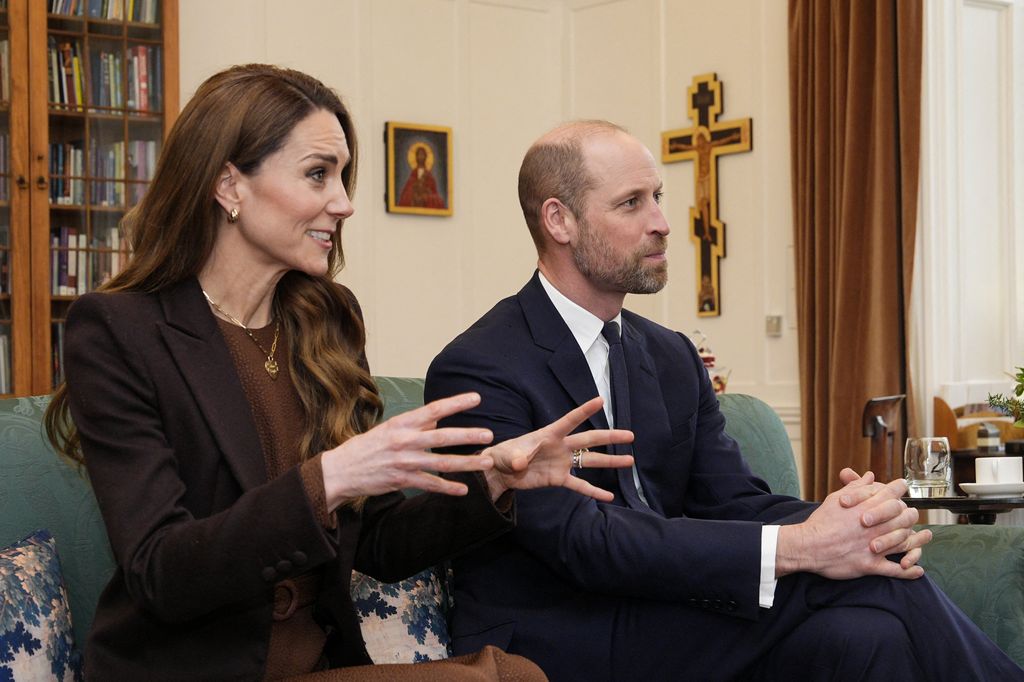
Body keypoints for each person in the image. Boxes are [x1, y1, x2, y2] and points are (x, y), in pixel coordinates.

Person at [43, 66, 635, 681]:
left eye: (344, 176)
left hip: (317, 666)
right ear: (229, 186)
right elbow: (160, 572)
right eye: (318, 173)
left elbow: (377, 543)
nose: (345, 202)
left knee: (516, 674)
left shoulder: (326, 322)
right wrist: (325, 480)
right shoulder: (119, 331)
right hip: (188, 671)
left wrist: (495, 482)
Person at [425, 120, 1024, 681]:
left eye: (657, 196)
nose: (662, 221)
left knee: (867, 634)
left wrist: (847, 522)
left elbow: (733, 500)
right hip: (557, 632)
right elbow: (585, 544)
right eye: (632, 203)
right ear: (559, 220)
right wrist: (800, 547)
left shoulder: (668, 354)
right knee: (881, 590)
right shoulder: (480, 367)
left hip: (665, 611)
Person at [398, 143, 446, 209]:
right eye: (419, 155)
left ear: (425, 157)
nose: (421, 157)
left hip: (426, 195)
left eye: (422, 155)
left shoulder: (429, 174)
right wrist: (415, 186)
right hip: (415, 194)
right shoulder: (414, 173)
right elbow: (409, 187)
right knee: (406, 197)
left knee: (438, 201)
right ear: (416, 157)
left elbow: (433, 189)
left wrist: (426, 190)